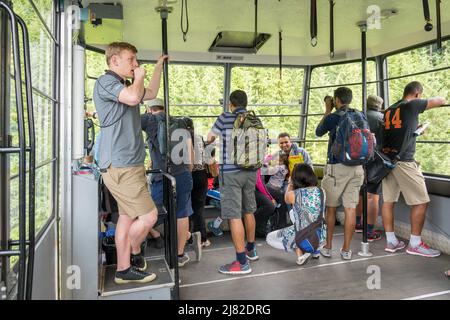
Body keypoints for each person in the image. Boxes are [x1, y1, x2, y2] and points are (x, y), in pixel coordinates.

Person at [93, 42, 167, 284]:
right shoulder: (107, 83)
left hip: (129, 164)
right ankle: (133, 251)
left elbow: (151, 93)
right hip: (121, 164)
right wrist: (140, 76)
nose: (136, 64)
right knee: (149, 217)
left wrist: (156, 68)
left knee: (126, 218)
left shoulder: (123, 85)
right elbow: (135, 98)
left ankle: (124, 269)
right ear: (114, 60)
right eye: (132, 59)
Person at [381, 81, 446, 257]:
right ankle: (415, 244)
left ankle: (391, 241)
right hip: (405, 161)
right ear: (417, 94)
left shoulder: (389, 110)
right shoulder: (413, 104)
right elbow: (440, 100)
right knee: (421, 202)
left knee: (388, 201)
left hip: (387, 160)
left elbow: (397, 130)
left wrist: (415, 130)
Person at [141, 98, 202, 267]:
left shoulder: (149, 120)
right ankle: (180, 254)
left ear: (149, 108)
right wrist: (185, 171)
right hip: (182, 173)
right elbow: (190, 153)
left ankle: (136, 253)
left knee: (149, 212)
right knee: (181, 213)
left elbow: (126, 121)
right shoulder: (181, 122)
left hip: (162, 177)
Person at [207, 90, 260, 275]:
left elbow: (209, 138)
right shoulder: (254, 119)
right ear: (245, 103)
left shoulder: (224, 118)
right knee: (249, 210)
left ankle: (241, 262)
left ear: (231, 104)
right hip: (251, 172)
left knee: (233, 215)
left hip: (231, 173)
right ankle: (251, 249)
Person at [315, 87, 365, 260]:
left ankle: (328, 247)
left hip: (337, 168)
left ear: (336, 100)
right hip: (358, 167)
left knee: (331, 208)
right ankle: (346, 250)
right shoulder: (360, 115)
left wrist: (327, 110)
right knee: (350, 209)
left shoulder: (334, 117)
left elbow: (318, 131)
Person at [266, 164, 325, 266]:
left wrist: (290, 183)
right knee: (300, 216)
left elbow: (285, 199)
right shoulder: (321, 191)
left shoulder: (294, 194)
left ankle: (300, 254)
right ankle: (316, 250)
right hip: (321, 237)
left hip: (304, 238)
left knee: (269, 238)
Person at [355, 95, 384, 241]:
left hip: (358, 159)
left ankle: (357, 223)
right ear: (380, 106)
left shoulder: (358, 117)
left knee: (360, 193)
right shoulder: (382, 119)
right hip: (375, 161)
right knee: (373, 196)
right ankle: (369, 231)